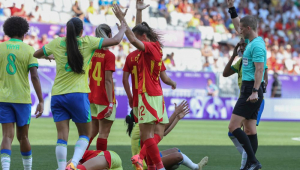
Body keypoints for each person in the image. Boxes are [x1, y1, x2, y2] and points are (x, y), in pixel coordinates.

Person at [33, 17, 126, 170]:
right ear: (82, 31)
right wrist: (123, 27)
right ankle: (74, 164)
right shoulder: (88, 42)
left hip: (57, 95)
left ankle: (62, 167)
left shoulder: (57, 43)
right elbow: (116, 40)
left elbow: (37, 54)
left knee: (61, 136)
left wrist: (51, 56)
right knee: (85, 133)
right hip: (78, 94)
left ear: (67, 31)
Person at [113, 4, 170, 170]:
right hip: (152, 96)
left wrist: (123, 21)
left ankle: (148, 161)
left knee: (148, 135)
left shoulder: (146, 50)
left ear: (144, 36)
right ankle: (149, 163)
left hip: (147, 96)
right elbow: (136, 35)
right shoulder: (152, 48)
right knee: (154, 133)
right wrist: (138, 11)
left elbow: (133, 38)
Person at [0, 16, 44, 170]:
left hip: (3, 98)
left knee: (6, 136)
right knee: (23, 137)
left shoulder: (1, 48)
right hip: (22, 99)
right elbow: (34, 76)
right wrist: (41, 100)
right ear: (24, 32)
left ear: (7, 31)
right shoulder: (29, 49)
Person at [227, 0, 267, 169]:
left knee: (233, 126)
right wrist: (231, 9)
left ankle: (253, 162)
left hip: (251, 89)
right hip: (249, 89)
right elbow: (238, 24)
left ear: (249, 29)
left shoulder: (257, 45)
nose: (239, 31)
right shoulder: (250, 42)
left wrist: (255, 91)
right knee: (250, 130)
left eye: (242, 29)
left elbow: (260, 70)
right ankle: (250, 164)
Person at [125, 101, 208, 170]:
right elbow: (163, 129)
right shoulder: (140, 126)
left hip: (149, 156)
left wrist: (177, 118)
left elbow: (162, 133)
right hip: (144, 163)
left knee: (176, 150)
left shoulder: (142, 125)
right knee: (178, 157)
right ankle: (196, 167)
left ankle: (196, 167)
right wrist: (175, 113)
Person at [87, 24, 118, 151]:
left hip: (91, 97)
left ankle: (78, 160)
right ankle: (100, 163)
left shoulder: (90, 53)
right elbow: (108, 81)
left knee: (91, 133)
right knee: (103, 134)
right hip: (104, 98)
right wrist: (110, 103)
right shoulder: (109, 55)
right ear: (109, 36)